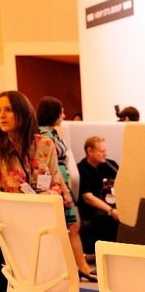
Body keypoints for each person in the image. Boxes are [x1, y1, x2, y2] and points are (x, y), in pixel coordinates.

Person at [0, 90, 94, 292]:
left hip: (42, 222)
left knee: (55, 276)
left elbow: (56, 181)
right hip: (8, 227)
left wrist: (57, 205)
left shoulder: (44, 145)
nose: (1, 115)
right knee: (4, 281)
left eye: (8, 109)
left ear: (23, 111)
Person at [36, 96, 96, 281]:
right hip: (56, 185)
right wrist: (65, 190)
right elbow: (51, 166)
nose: (64, 115)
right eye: (61, 112)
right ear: (53, 113)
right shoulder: (44, 136)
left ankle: (80, 266)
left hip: (62, 183)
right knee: (72, 226)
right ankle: (80, 267)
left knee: (72, 226)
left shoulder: (53, 132)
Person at [77, 136, 119, 244]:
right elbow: (88, 198)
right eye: (102, 151)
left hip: (114, 204)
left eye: (105, 151)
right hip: (95, 209)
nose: (105, 154)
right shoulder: (81, 169)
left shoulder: (111, 165)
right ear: (90, 151)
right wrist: (111, 211)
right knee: (102, 217)